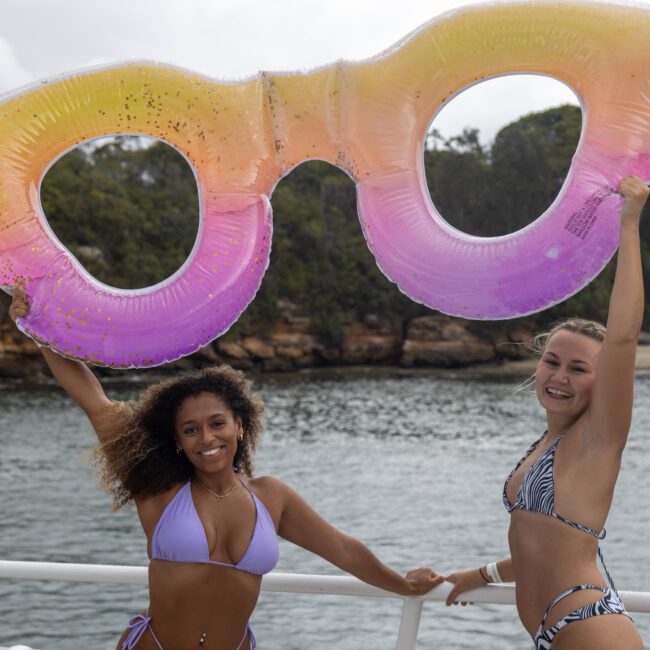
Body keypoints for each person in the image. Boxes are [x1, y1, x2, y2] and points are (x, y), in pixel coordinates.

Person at [9, 288, 442, 650]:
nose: (207, 439)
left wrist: (402, 586)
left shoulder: (272, 497)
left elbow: (344, 550)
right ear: (177, 441)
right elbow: (96, 402)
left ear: (239, 424)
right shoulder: (159, 488)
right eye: (191, 430)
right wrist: (36, 328)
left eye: (217, 424)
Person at [444, 176, 648, 649]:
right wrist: (481, 573)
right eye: (552, 362)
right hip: (551, 633)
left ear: (602, 383)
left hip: (589, 626)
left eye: (578, 369)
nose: (559, 377)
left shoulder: (599, 437)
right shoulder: (546, 445)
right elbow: (542, 542)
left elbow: (621, 336)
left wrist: (630, 225)